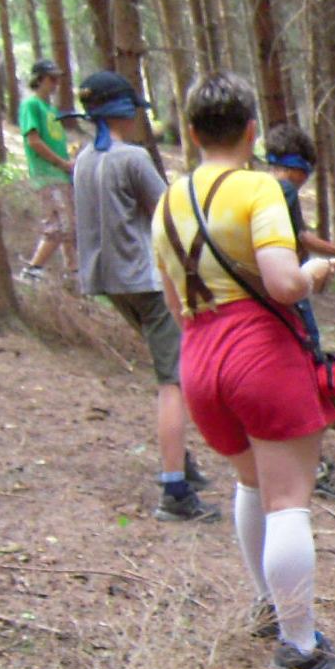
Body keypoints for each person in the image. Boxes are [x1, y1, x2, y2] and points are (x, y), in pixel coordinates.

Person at [151, 71, 335, 669]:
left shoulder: (168, 201)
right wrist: (316, 271)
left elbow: (172, 301)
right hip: (259, 352)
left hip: (198, 354)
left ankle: (270, 608)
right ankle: (299, 642)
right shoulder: (258, 189)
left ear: (192, 133)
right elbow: (283, 283)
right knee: (288, 500)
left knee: (249, 482)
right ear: (250, 132)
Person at [69, 70, 217, 522]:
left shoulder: (82, 160)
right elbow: (169, 212)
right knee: (173, 381)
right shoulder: (131, 158)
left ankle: (181, 461)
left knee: (169, 368)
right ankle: (174, 490)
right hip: (146, 282)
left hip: (109, 282)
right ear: (123, 113)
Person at [264, 123, 335, 499]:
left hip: (262, 296)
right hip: (290, 291)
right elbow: (302, 237)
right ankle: (313, 465)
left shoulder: (257, 187)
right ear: (300, 168)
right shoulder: (285, 189)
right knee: (313, 370)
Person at [17, 59, 75, 281]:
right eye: (52, 78)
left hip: (61, 174)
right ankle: (33, 270)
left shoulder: (51, 109)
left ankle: (73, 272)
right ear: (39, 79)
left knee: (69, 224)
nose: (56, 83)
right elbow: (33, 141)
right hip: (46, 174)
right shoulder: (31, 105)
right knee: (58, 225)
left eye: (58, 78)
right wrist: (61, 163)